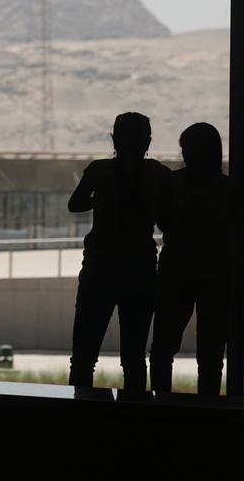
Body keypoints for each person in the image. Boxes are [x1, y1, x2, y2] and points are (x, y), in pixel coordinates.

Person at [68, 112, 172, 391]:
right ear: (147, 141)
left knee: (83, 358)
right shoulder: (158, 174)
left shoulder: (98, 171)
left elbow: (74, 204)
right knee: (134, 358)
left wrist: (100, 200)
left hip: (100, 266)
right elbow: (165, 221)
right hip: (140, 268)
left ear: (114, 139)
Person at [150, 122, 233, 395]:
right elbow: (238, 234)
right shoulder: (228, 188)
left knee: (163, 349)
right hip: (216, 275)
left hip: (176, 272)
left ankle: (160, 406)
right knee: (210, 354)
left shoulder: (171, 183)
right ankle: (208, 410)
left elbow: (163, 223)